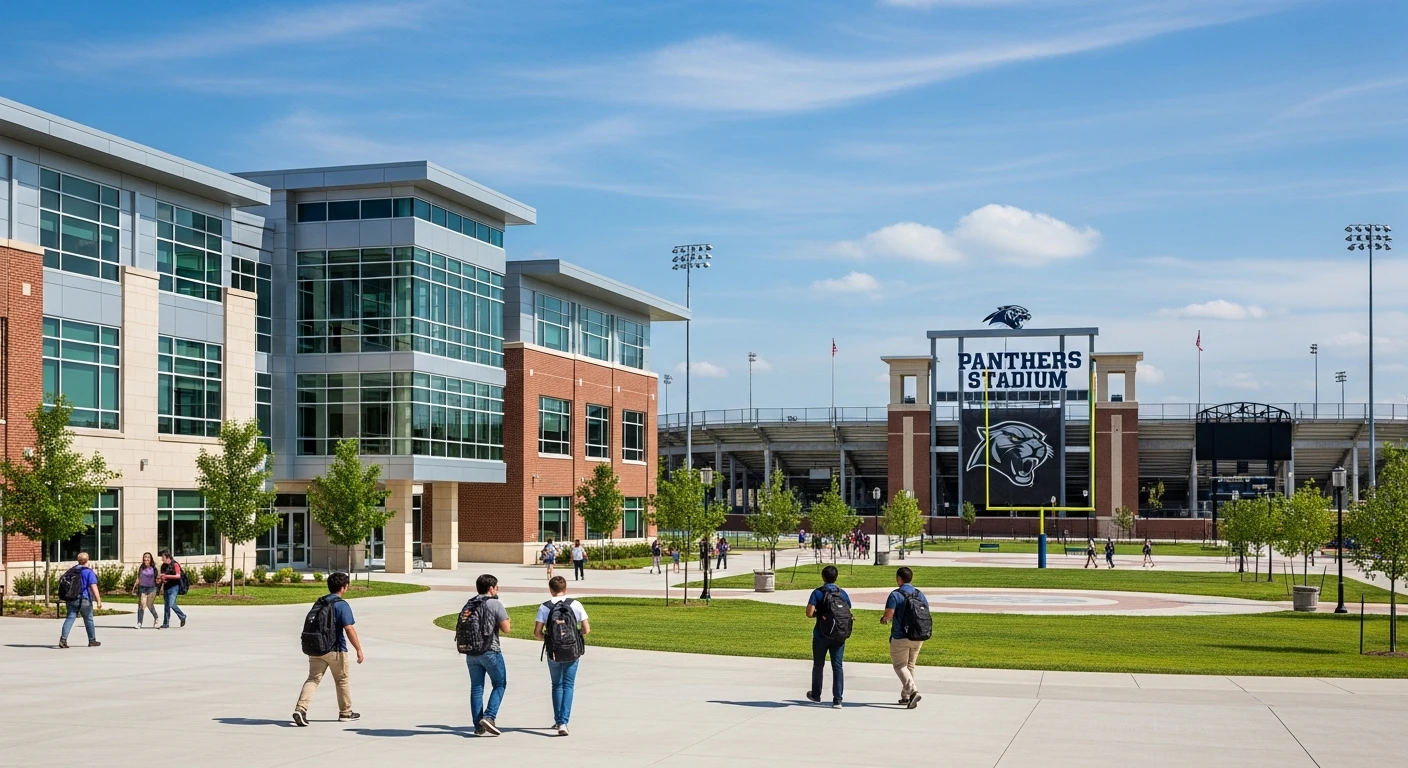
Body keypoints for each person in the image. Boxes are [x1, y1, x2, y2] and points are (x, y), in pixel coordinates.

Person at [293, 572, 363, 726]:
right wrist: (358, 649)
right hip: (335, 649)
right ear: (344, 587)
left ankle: (301, 709)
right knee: (341, 680)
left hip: (316, 648)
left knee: (313, 679)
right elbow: (349, 628)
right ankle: (346, 712)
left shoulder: (320, 603)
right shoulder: (341, 605)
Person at [533, 575, 591, 736]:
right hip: (572, 650)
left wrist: (549, 638)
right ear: (565, 588)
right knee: (568, 685)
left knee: (556, 685)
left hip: (554, 651)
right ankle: (564, 722)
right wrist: (575, 636)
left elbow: (537, 633)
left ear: (551, 589)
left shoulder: (545, 607)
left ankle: (558, 720)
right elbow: (586, 629)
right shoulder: (575, 604)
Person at [466, 574, 512, 736]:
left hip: (471, 651)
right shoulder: (494, 603)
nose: (497, 589)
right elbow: (506, 628)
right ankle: (489, 716)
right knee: (500, 684)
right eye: (496, 587)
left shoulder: (470, 603)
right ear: (491, 588)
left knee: (476, 688)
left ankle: (478, 726)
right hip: (490, 650)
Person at [880, 566, 929, 708]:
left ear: (898, 579)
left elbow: (889, 614)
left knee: (900, 665)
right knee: (910, 666)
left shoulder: (895, 595)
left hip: (901, 636)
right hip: (918, 635)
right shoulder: (919, 594)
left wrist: (884, 619)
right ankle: (906, 696)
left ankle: (913, 691)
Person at [805, 565, 850, 708]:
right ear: (836, 577)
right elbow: (847, 609)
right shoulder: (842, 593)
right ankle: (837, 699)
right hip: (839, 634)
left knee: (818, 664)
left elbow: (809, 612)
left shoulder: (818, 592)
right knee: (837, 666)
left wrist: (822, 614)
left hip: (821, 634)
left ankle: (816, 694)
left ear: (823, 577)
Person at [58, 552, 102, 648]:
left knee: (70, 618)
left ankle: (63, 639)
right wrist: (98, 600)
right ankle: (92, 640)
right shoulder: (88, 572)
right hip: (84, 599)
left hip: (71, 599)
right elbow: (93, 586)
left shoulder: (71, 570)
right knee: (88, 619)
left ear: (78, 560)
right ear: (88, 559)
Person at [158, 550, 187, 629]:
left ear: (168, 557)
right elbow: (163, 577)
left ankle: (182, 616)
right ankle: (165, 623)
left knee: (171, 604)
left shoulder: (175, 564)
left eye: (163, 557)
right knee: (166, 605)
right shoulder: (163, 566)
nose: (162, 559)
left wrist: (166, 576)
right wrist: (162, 579)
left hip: (174, 586)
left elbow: (178, 576)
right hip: (166, 586)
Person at [132, 552, 160, 628]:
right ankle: (139, 623)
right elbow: (139, 577)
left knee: (150, 605)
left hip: (152, 588)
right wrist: (135, 585)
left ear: (150, 559)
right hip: (143, 588)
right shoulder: (141, 567)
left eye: (148, 557)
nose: (146, 558)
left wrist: (158, 582)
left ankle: (156, 618)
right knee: (141, 605)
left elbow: (157, 579)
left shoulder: (153, 568)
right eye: (145, 557)